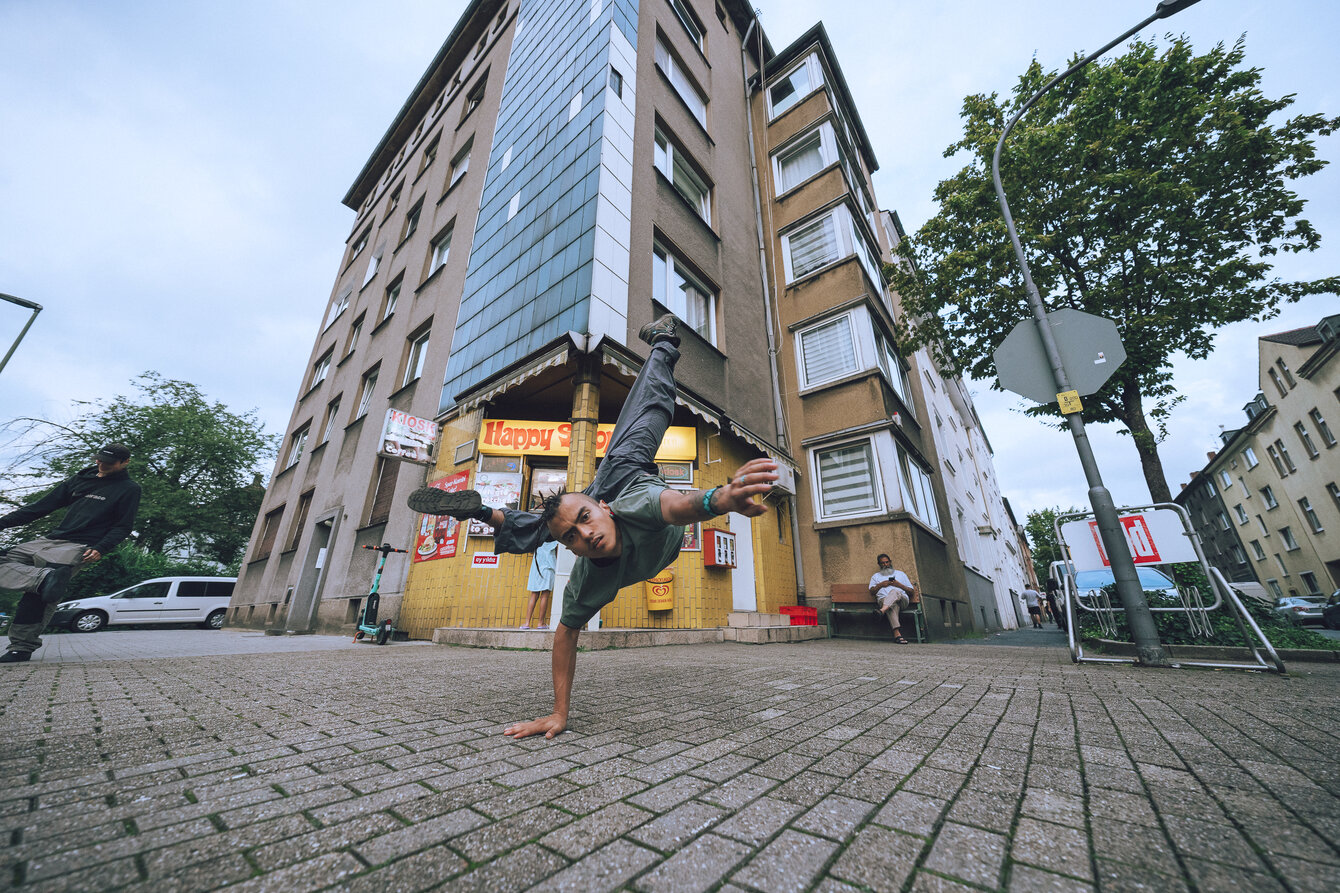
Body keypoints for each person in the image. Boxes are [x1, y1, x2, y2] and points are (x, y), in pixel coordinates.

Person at [408, 315, 778, 739]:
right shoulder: (585, 571)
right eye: (575, 540)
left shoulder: (636, 505)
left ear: (605, 510)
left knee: (653, 408)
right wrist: (558, 713)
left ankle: (662, 340)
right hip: (589, 498)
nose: (587, 536)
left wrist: (719, 500)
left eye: (588, 522)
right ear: (573, 553)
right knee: (555, 523)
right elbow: (565, 635)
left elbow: (677, 507)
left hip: (625, 472)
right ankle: (483, 512)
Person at [0, 443, 141, 663]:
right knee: (29, 575)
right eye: (99, 459)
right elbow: (40, 507)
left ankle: (21, 647)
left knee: (39, 596)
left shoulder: (129, 488)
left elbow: (123, 526)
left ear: (125, 463)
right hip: (49, 540)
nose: (101, 464)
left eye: (109, 462)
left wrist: (101, 548)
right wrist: (3, 523)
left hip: (79, 546)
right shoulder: (79, 480)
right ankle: (43, 578)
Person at [869, 553, 918, 644]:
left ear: (890, 562)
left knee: (894, 591)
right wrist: (880, 585)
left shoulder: (901, 574)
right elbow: (872, 592)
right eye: (883, 563)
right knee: (891, 605)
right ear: (879, 564)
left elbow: (911, 592)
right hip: (884, 600)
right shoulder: (875, 576)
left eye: (887, 562)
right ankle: (897, 635)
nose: (885, 565)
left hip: (902, 600)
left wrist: (898, 585)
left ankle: (881, 611)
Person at [521, 540, 557, 629]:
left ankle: (526, 623)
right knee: (544, 596)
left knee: (534, 595)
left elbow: (530, 550)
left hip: (536, 568)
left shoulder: (537, 537)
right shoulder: (555, 539)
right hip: (548, 568)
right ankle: (540, 623)